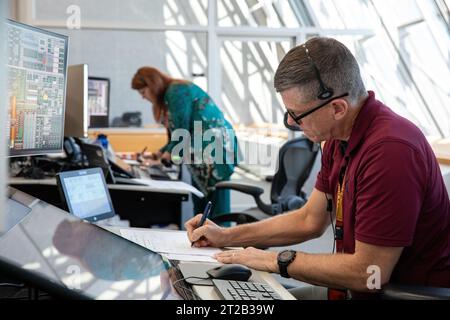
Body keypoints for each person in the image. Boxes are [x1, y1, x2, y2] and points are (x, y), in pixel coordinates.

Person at [185, 37, 450, 299]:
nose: (291, 121)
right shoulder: (337, 137)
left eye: (297, 115)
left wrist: (274, 260)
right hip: (351, 289)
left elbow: (370, 273)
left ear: (337, 108)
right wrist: (226, 235)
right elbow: (309, 219)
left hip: (400, 293)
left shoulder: (391, 151)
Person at [131, 67, 238, 217]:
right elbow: (177, 135)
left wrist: (164, 159)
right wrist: (158, 154)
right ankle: (202, 237)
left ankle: (221, 239)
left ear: (153, 84)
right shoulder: (170, 95)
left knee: (216, 208)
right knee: (201, 204)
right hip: (203, 151)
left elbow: (182, 132)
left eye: (143, 92)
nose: (143, 97)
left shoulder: (176, 91)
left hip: (214, 149)